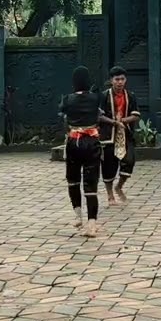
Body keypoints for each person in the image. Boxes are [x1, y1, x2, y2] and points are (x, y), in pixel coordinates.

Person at [61, 66, 102, 237]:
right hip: (91, 141)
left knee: (73, 179)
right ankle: (92, 224)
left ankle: (78, 216)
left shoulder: (67, 99)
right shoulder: (95, 98)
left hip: (73, 141)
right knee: (90, 182)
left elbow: (63, 113)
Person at [98, 66, 141, 205]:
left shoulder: (131, 95)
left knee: (129, 161)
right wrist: (114, 122)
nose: (120, 82)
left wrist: (122, 121)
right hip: (108, 135)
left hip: (125, 133)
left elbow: (135, 116)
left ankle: (119, 186)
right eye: (117, 79)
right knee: (109, 165)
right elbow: (99, 116)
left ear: (125, 80)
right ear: (111, 80)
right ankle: (110, 195)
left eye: (122, 79)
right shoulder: (104, 96)